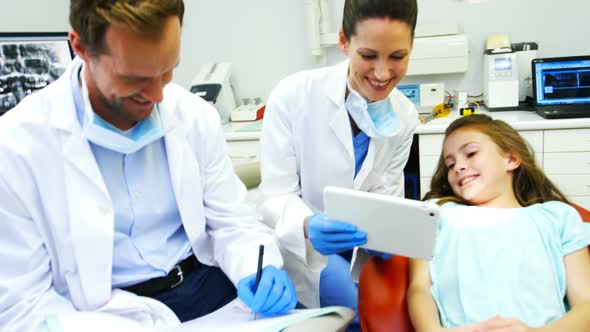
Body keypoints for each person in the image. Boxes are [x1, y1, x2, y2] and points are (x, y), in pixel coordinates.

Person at [0, 1, 297, 331]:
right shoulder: (16, 148)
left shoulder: (194, 116)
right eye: (135, 78)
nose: (157, 96)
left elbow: (231, 222)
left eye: (167, 70)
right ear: (81, 47)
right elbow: (22, 305)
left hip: (207, 291)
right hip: (97, 314)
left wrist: (259, 266)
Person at [258, 0, 419, 315]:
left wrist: (388, 236)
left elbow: (387, 194)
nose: (383, 73)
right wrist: (307, 224)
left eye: (398, 56)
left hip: (360, 250)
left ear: (411, 46)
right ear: (344, 41)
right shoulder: (292, 96)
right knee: (359, 314)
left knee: (400, 310)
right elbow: (274, 197)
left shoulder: (405, 115)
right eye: (368, 56)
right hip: (302, 247)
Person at [408, 114, 590, 331]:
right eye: (450, 164)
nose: (458, 167)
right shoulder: (436, 214)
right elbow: (419, 288)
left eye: (471, 153)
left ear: (511, 159)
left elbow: (586, 304)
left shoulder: (558, 217)